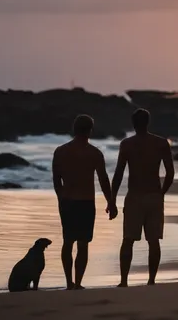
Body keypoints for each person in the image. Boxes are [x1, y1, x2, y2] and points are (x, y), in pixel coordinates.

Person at [52, 114, 118, 290]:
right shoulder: (94, 153)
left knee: (68, 242)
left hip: (67, 201)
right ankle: (78, 282)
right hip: (86, 202)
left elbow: (56, 179)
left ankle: (68, 282)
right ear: (90, 131)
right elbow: (104, 180)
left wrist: (61, 197)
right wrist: (110, 202)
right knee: (83, 244)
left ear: (74, 129)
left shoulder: (60, 151)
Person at [111, 108, 174, 287]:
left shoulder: (127, 144)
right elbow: (170, 172)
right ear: (148, 122)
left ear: (133, 124)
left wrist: (112, 199)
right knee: (153, 240)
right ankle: (151, 280)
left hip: (134, 196)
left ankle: (124, 281)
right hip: (154, 195)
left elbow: (118, 174)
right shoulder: (161, 143)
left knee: (128, 240)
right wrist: (161, 193)